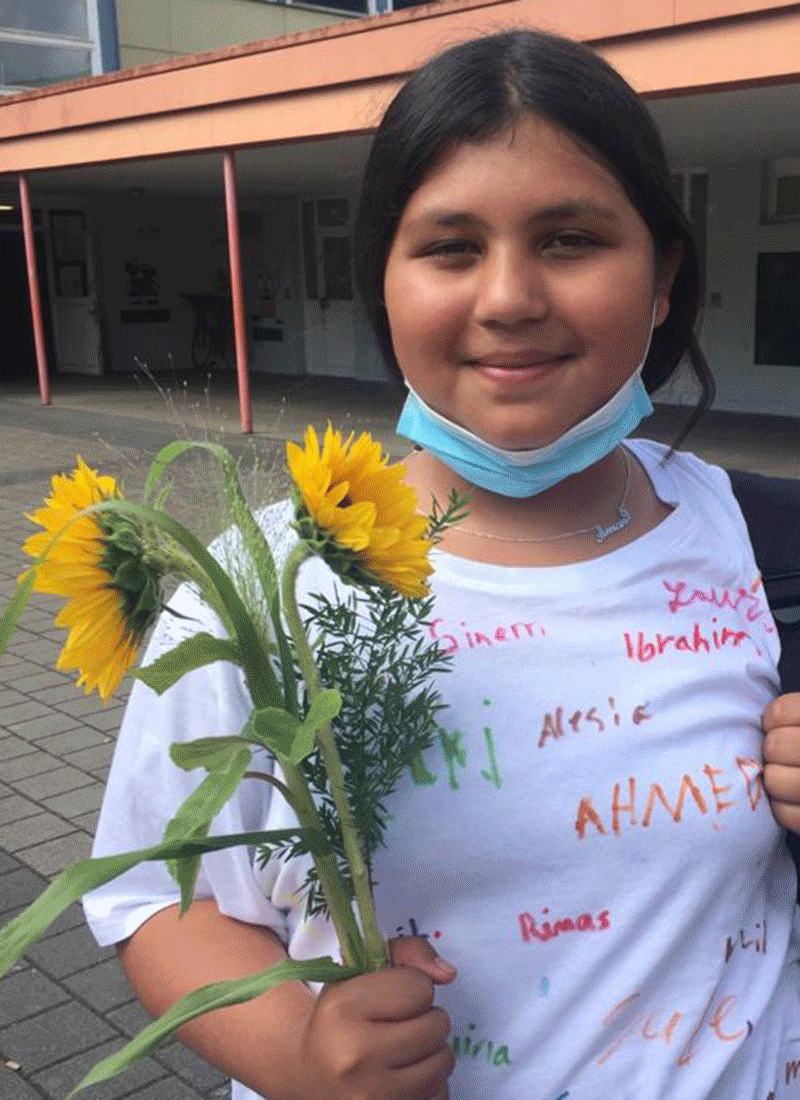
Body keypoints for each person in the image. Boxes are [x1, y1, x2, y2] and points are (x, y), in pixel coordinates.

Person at [84, 29, 800, 1100]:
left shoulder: (767, 546)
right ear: (384, 286)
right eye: (449, 247)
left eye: (568, 239)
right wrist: (300, 1052)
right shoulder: (263, 587)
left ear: (660, 282)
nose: (507, 296)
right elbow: (163, 896)